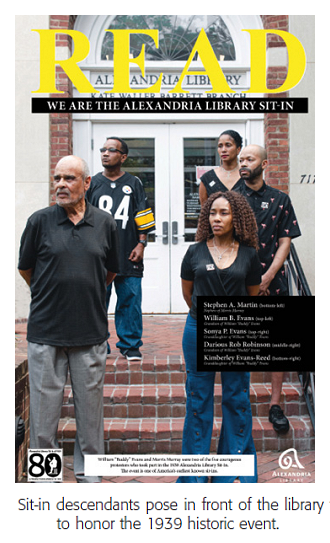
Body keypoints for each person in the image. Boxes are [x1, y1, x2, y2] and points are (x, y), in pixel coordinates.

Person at [18, 155, 119, 483]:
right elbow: (26, 268)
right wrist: (52, 293)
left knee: (90, 419)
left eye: (69, 179)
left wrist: (81, 291)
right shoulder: (39, 221)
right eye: (57, 178)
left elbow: (111, 271)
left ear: (86, 183)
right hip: (46, 332)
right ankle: (45, 483)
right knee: (43, 420)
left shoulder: (105, 223)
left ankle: (91, 480)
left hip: (90, 333)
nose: (61, 185)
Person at [177, 191, 262, 483]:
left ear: (236, 217)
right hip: (198, 329)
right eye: (212, 212)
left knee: (236, 398)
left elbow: (252, 295)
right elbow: (188, 294)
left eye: (224, 213)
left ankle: (232, 471)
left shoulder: (250, 254)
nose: (216, 218)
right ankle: (195, 476)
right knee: (198, 400)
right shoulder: (195, 251)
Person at [237, 144, 302, 433]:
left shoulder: (280, 199)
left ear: (264, 163)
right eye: (241, 159)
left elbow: (285, 240)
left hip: (273, 282)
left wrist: (267, 277)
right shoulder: (230, 198)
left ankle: (275, 404)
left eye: (249, 159)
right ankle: (237, 403)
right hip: (236, 282)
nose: (243, 163)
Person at [87, 137, 155, 361]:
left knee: (131, 299)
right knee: (98, 300)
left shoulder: (133, 183)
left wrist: (141, 243)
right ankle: (98, 343)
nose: (105, 153)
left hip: (129, 252)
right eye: (103, 150)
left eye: (111, 150)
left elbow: (143, 215)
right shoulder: (93, 183)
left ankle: (130, 345)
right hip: (99, 255)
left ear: (123, 157)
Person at [199, 129, 243, 205]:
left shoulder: (247, 175)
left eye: (228, 145)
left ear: (238, 149)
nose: (223, 150)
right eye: (220, 146)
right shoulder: (208, 178)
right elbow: (205, 212)